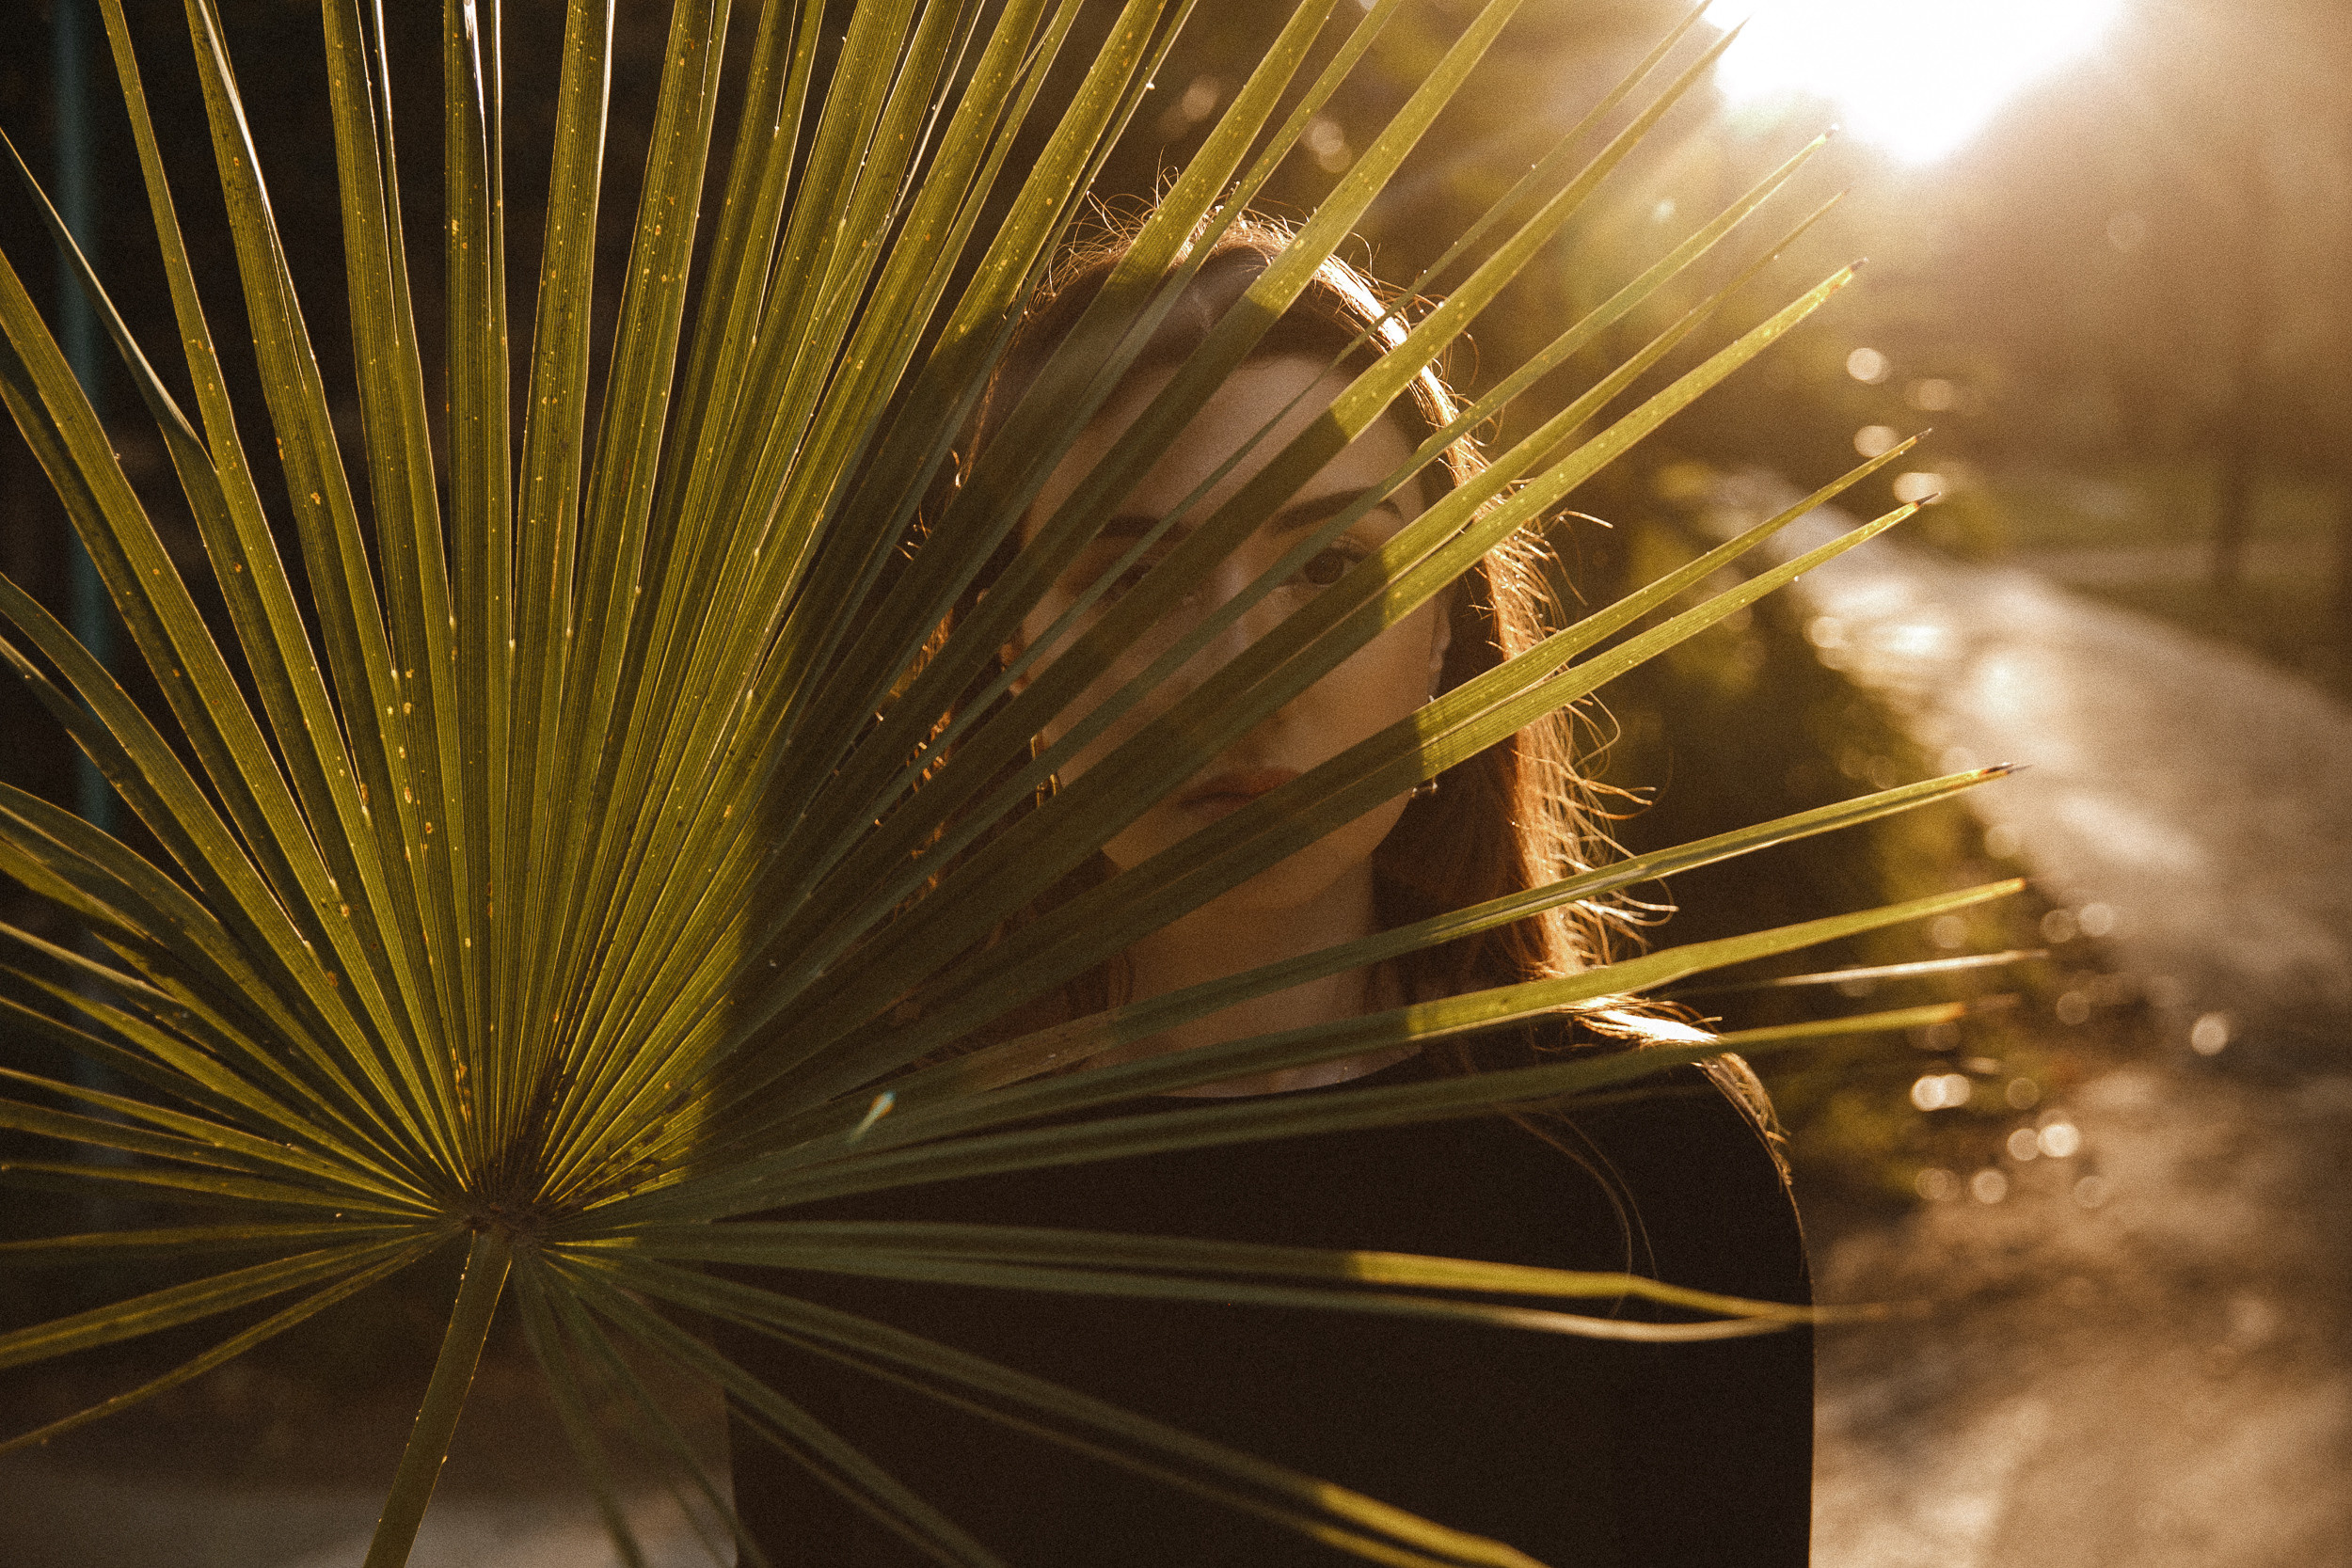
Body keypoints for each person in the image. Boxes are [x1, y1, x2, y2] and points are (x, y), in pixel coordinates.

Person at [720, 215, 1813, 1566]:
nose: (1231, 666)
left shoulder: (1649, 1167)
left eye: (1326, 566)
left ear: (1447, 636)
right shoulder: (861, 1215)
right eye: (1133, 575)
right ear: (1009, 653)